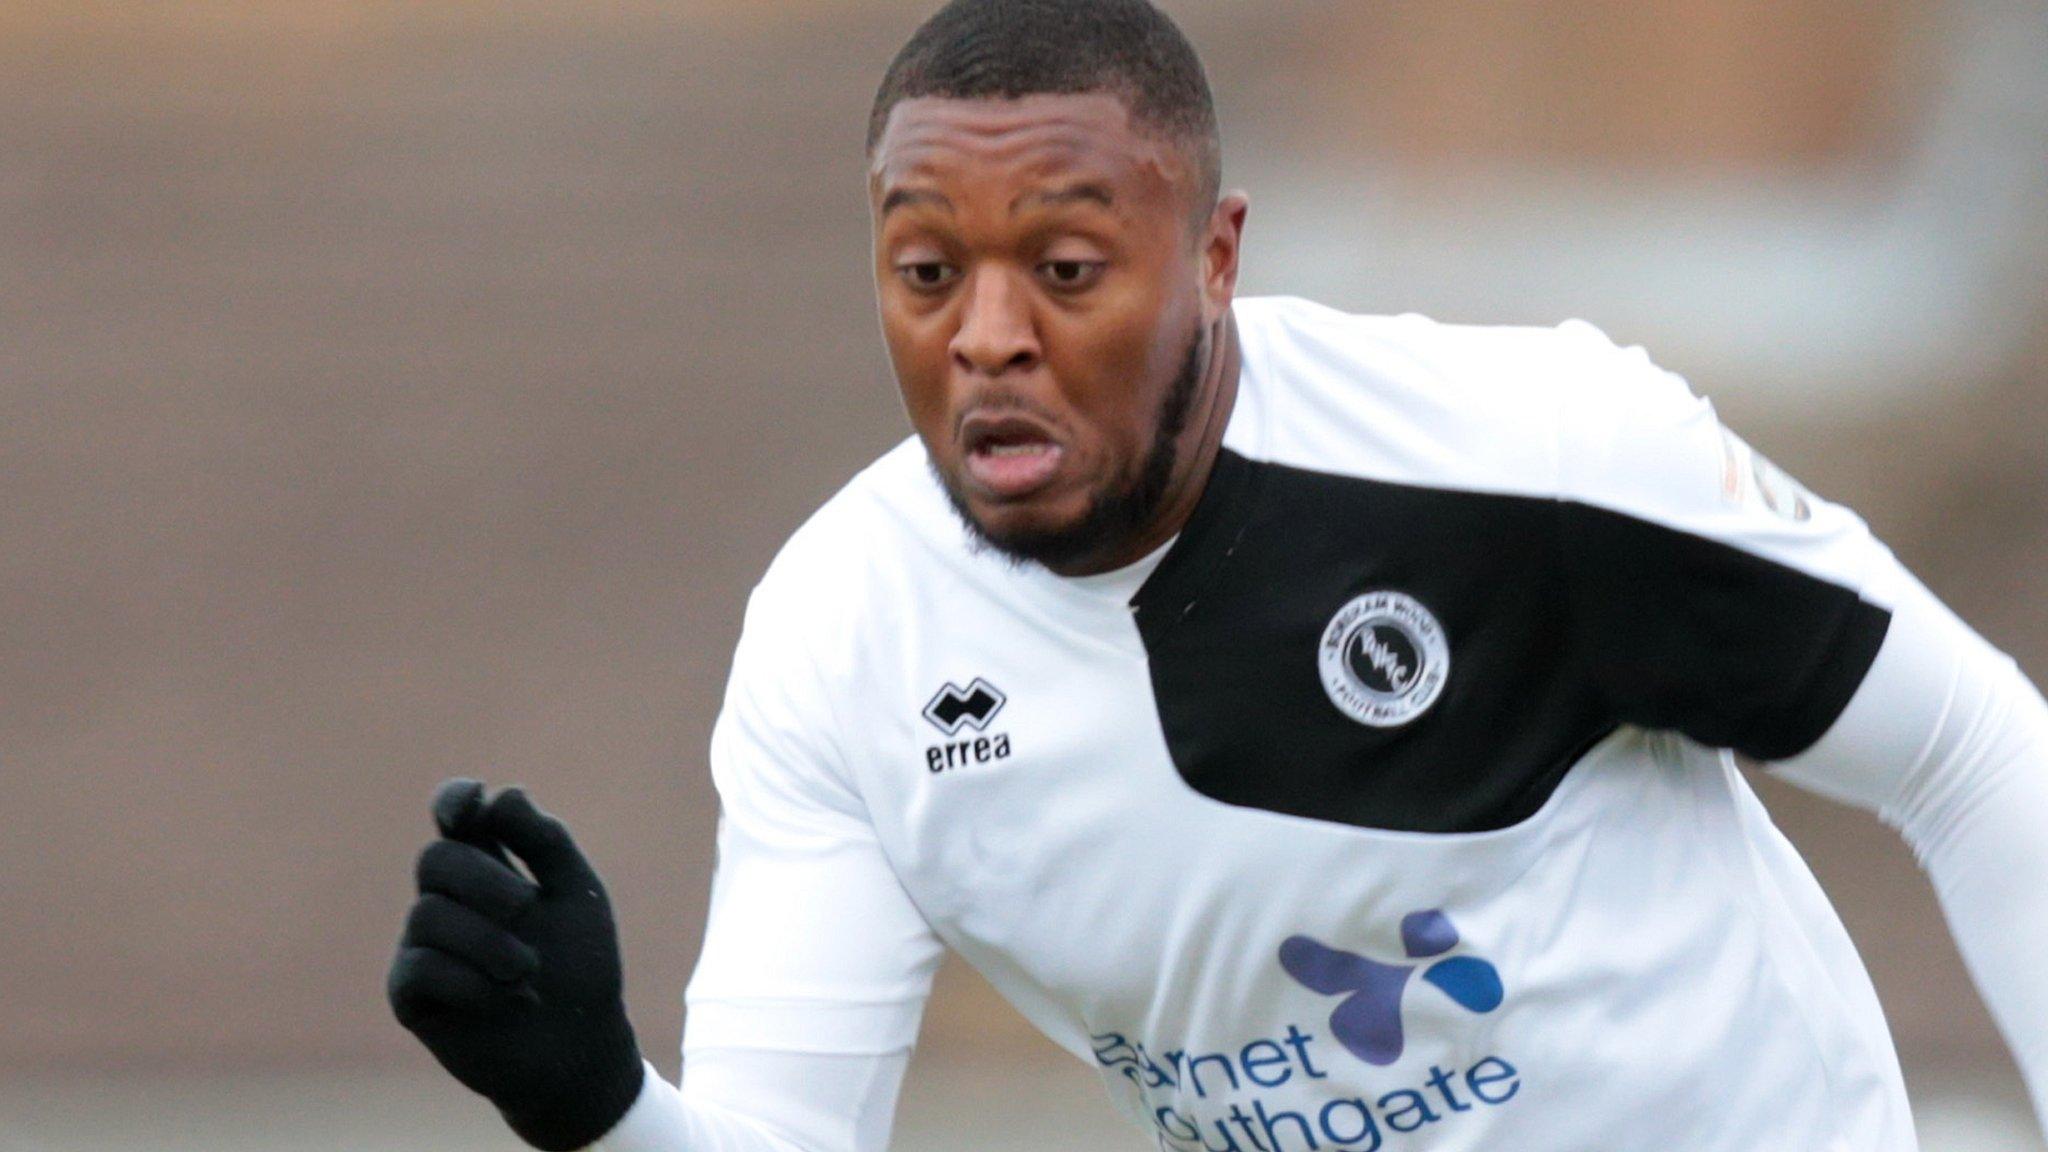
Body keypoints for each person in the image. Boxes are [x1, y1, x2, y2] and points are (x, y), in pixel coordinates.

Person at [387, 1, 2048, 1149]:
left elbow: (1977, 758)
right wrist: (593, 1097)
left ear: (1217, 256)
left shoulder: (1533, 453)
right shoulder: (844, 644)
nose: (985, 336)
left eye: (1064, 265)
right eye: (922, 269)